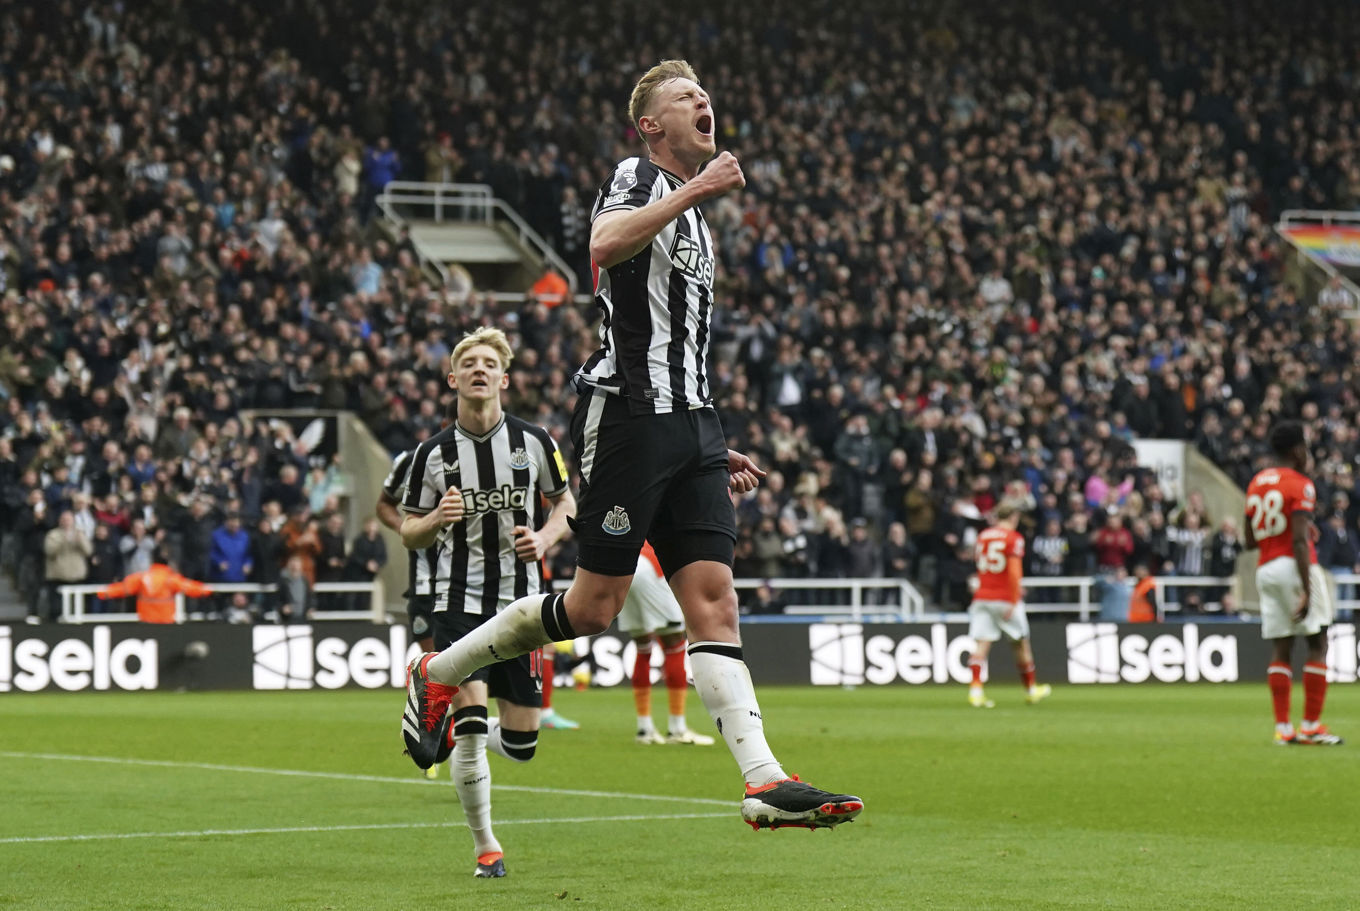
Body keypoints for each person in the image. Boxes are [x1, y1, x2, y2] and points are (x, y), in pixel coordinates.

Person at [400, 60, 861, 831]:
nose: (704, 100)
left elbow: (681, 335)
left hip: (692, 421)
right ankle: (438, 671)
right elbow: (603, 246)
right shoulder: (639, 179)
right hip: (628, 414)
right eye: (686, 97)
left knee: (714, 601)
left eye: (706, 92)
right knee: (594, 607)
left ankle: (763, 781)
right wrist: (697, 188)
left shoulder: (696, 223)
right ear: (651, 125)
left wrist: (710, 442)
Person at [399, 327, 576, 877]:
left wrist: (545, 539)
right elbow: (408, 531)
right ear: (453, 379)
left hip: (521, 606)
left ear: (504, 378)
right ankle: (486, 848)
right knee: (474, 724)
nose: (479, 370)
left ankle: (449, 719)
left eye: (489, 364)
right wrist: (434, 520)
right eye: (468, 363)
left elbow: (566, 502)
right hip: (457, 602)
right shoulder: (432, 454)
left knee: (522, 743)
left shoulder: (536, 442)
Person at [1244, 421, 1343, 746]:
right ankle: (1312, 725)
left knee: (1281, 645)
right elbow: (1300, 542)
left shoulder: (1257, 482)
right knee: (1317, 640)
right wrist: (1306, 587)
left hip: (1266, 568)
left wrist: (1285, 533)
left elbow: (1249, 539)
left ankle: (1283, 728)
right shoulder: (1300, 484)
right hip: (1293, 565)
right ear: (1297, 450)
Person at [623, 540, 715, 746]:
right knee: (674, 644)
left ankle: (644, 728)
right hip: (651, 565)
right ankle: (677, 728)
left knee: (643, 646)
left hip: (624, 563)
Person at [965, 504, 1052, 708]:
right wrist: (1014, 599)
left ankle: (975, 691)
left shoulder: (983, 536)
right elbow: (1014, 571)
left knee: (982, 644)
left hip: (982, 595)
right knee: (1020, 643)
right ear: (1013, 517)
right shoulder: (1013, 538)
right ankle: (1031, 690)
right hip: (1004, 596)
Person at [96, 549, 213, 623]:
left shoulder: (142, 578)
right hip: (165, 623)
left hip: (146, 623)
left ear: (153, 560)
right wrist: (207, 591)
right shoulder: (171, 579)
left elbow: (122, 588)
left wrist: (102, 593)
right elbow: (190, 588)